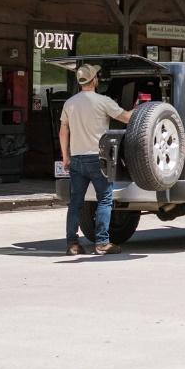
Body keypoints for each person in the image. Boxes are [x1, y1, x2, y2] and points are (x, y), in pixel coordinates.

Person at [60, 63, 131, 254]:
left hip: (76, 159)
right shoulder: (103, 101)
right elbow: (125, 118)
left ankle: (72, 244)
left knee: (76, 202)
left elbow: (63, 131)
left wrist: (65, 157)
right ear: (95, 80)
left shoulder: (70, 103)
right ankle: (102, 243)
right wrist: (142, 109)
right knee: (105, 200)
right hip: (98, 159)